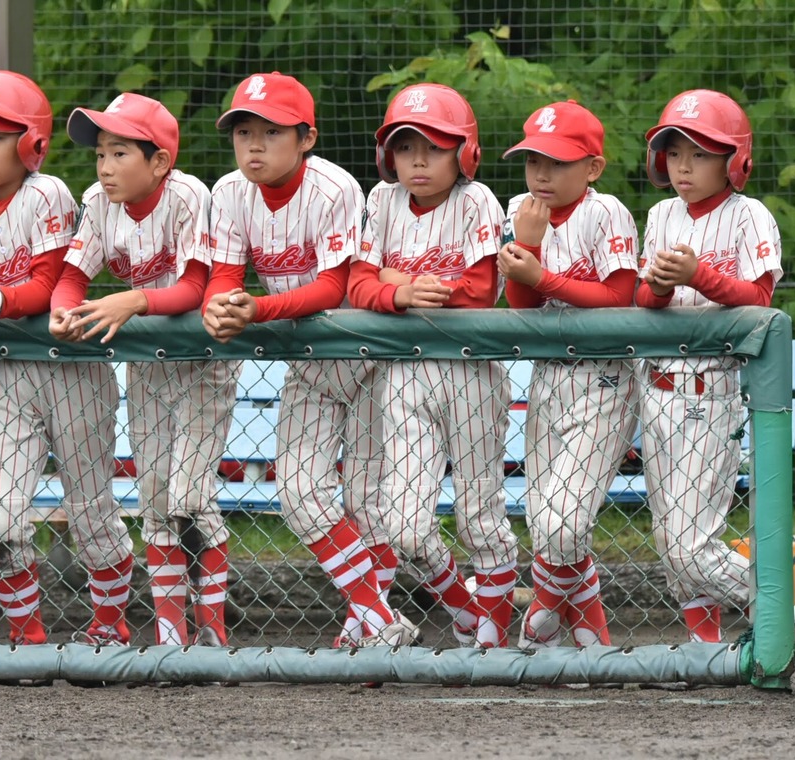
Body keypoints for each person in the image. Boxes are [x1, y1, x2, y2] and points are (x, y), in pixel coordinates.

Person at [202, 71, 417, 647]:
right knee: (298, 492)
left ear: (306, 138)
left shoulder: (335, 187)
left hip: (366, 355)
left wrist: (257, 310)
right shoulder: (227, 192)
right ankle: (379, 616)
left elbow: (331, 288)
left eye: (272, 131)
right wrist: (218, 307)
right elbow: (223, 276)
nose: (253, 144)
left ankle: (365, 628)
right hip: (309, 360)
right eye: (243, 130)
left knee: (369, 504)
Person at [0, 70, 133, 649]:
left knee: (91, 511)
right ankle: (29, 636)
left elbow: (47, 287)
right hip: (12, 375)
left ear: (30, 144)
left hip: (73, 370)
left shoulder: (49, 194)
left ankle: (109, 628)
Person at [49, 93, 240, 647]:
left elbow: (195, 287)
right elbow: (70, 276)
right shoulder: (97, 201)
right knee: (154, 494)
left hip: (203, 364)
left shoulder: (186, 196)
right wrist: (64, 308)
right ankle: (170, 636)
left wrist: (130, 302)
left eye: (119, 152)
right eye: (100, 154)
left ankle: (216, 637)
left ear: (158, 162)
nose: (105, 167)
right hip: (147, 368)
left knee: (190, 495)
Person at [636, 89, 795, 650]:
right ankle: (706, 649)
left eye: (700, 153)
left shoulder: (749, 215)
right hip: (656, 390)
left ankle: (781, 613)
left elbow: (760, 297)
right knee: (671, 539)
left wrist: (698, 275)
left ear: (733, 161)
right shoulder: (661, 213)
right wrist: (663, 286)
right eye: (674, 154)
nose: (684, 166)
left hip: (710, 391)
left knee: (690, 544)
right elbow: (646, 297)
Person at [348, 83, 517, 647]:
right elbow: (356, 285)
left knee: (478, 514)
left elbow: (479, 290)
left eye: (435, 147)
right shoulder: (380, 201)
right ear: (386, 156)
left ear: (464, 154)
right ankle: (467, 611)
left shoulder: (479, 201)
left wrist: (394, 281)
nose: (417, 160)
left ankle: (492, 638)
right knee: (404, 522)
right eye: (404, 147)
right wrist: (400, 291)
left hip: (471, 372)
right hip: (402, 374)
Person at [497, 100, 639, 650]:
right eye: (534, 159)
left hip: (604, 378)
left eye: (557, 162)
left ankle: (541, 615)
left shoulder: (607, 213)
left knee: (564, 522)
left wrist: (542, 272)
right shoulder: (522, 209)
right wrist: (527, 246)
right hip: (548, 376)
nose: (541, 173)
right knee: (546, 520)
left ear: (593, 168)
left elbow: (620, 299)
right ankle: (594, 650)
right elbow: (521, 306)